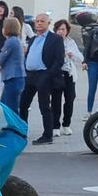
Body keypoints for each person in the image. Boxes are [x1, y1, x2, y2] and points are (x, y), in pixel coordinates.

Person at [19, 13, 65, 145]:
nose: (39, 23)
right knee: (23, 104)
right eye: (37, 21)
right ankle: (23, 131)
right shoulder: (33, 39)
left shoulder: (55, 39)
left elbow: (59, 60)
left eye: (42, 21)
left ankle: (47, 135)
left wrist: (48, 75)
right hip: (30, 75)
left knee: (44, 106)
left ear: (48, 23)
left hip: (44, 75)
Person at [51, 19, 83, 136]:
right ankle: (55, 126)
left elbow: (80, 58)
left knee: (70, 99)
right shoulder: (52, 42)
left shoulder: (71, 42)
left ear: (67, 31)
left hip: (69, 74)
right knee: (56, 100)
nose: (61, 31)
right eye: (58, 29)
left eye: (63, 29)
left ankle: (66, 124)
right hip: (57, 74)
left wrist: (72, 54)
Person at [0, 16, 25, 112]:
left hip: (13, 79)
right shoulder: (17, 41)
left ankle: (15, 127)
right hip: (17, 77)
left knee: (10, 108)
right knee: (7, 104)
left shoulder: (10, 42)